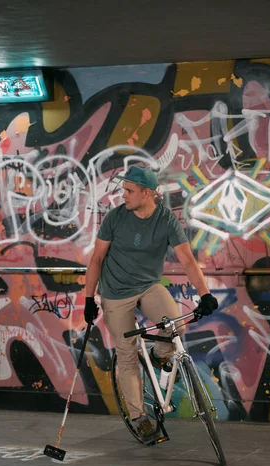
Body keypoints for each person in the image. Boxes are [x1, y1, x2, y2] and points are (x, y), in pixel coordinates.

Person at [84, 165, 218, 443]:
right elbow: (96, 259)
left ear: (148, 193)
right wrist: (89, 298)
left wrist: (205, 294)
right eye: (124, 190)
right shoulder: (115, 218)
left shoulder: (166, 220)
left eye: (129, 191)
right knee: (127, 353)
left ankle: (159, 355)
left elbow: (187, 259)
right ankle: (139, 417)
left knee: (176, 325)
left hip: (148, 287)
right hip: (116, 293)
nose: (124, 195)